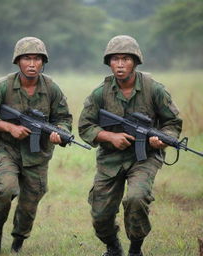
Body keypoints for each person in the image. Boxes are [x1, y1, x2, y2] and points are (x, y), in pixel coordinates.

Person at [78, 35, 182, 256]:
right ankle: (113, 246)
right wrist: (109, 136)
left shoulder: (154, 89)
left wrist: (163, 137)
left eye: (126, 59)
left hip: (145, 157)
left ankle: (135, 249)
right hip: (110, 158)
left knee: (136, 198)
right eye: (115, 59)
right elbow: (85, 126)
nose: (120, 64)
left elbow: (172, 122)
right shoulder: (100, 93)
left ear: (135, 61)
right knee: (100, 214)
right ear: (109, 63)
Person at [0, 36, 72, 254]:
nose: (32, 64)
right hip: (7, 150)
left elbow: (63, 118)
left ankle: (18, 241)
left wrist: (60, 133)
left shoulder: (51, 88)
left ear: (43, 62)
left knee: (30, 203)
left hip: (37, 156)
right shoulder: (3, 86)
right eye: (27, 58)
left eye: (37, 59)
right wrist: (9, 128)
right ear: (18, 61)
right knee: (6, 189)